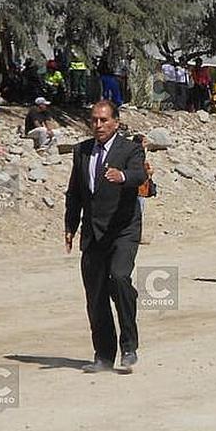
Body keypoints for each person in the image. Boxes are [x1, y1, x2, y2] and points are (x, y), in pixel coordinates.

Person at [64, 101, 148, 373]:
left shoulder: (130, 149)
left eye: (103, 120)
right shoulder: (82, 151)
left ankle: (129, 346)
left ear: (116, 121)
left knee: (120, 279)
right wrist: (70, 224)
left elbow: (139, 175)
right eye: (94, 120)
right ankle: (103, 354)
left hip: (123, 228)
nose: (98, 125)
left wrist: (122, 175)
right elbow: (75, 192)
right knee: (96, 294)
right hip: (93, 232)